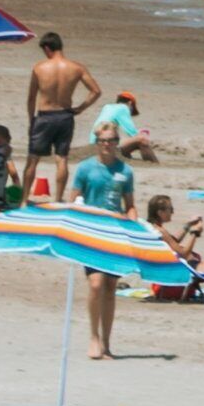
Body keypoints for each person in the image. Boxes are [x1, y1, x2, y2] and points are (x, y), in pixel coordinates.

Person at [71, 127, 138, 358]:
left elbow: (129, 203)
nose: (107, 145)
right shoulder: (85, 168)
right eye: (102, 141)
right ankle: (93, 337)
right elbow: (74, 200)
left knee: (110, 288)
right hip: (91, 233)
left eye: (111, 141)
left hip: (115, 234)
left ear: (117, 143)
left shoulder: (125, 171)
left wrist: (133, 221)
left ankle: (107, 343)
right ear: (97, 143)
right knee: (96, 284)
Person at [22, 32, 100, 199]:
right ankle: (57, 199)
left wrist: (31, 121)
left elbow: (31, 98)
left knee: (33, 159)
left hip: (45, 116)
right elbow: (96, 91)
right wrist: (80, 108)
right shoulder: (77, 68)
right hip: (65, 116)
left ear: (47, 48)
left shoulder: (39, 67)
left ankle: (23, 200)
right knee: (61, 159)